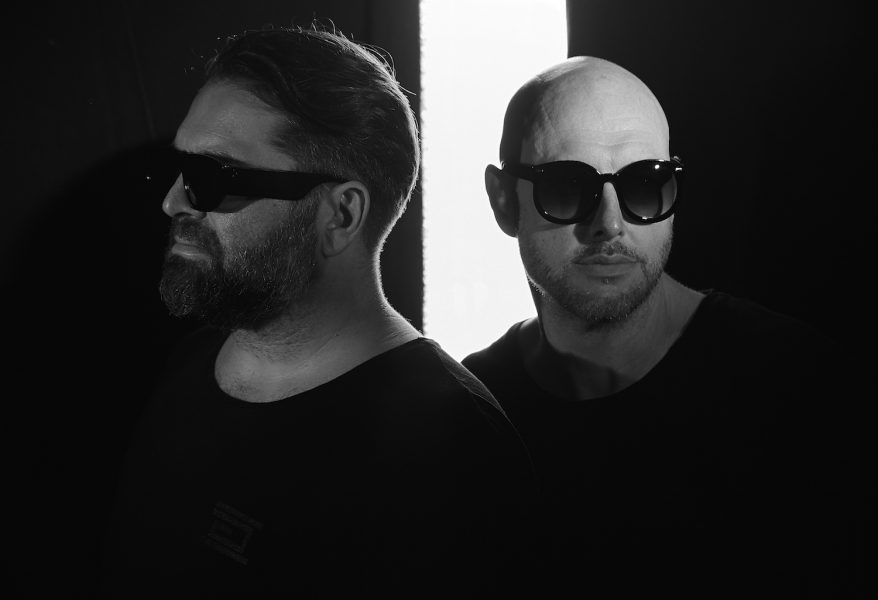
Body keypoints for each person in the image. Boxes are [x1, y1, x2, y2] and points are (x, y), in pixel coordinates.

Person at [99, 25, 535, 597]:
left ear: (341, 215)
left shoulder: (453, 452)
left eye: (213, 178)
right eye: (182, 169)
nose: (172, 201)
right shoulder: (193, 360)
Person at [463, 56, 871, 598]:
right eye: (566, 186)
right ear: (501, 200)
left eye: (643, 184)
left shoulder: (799, 387)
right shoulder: (472, 413)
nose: (609, 225)